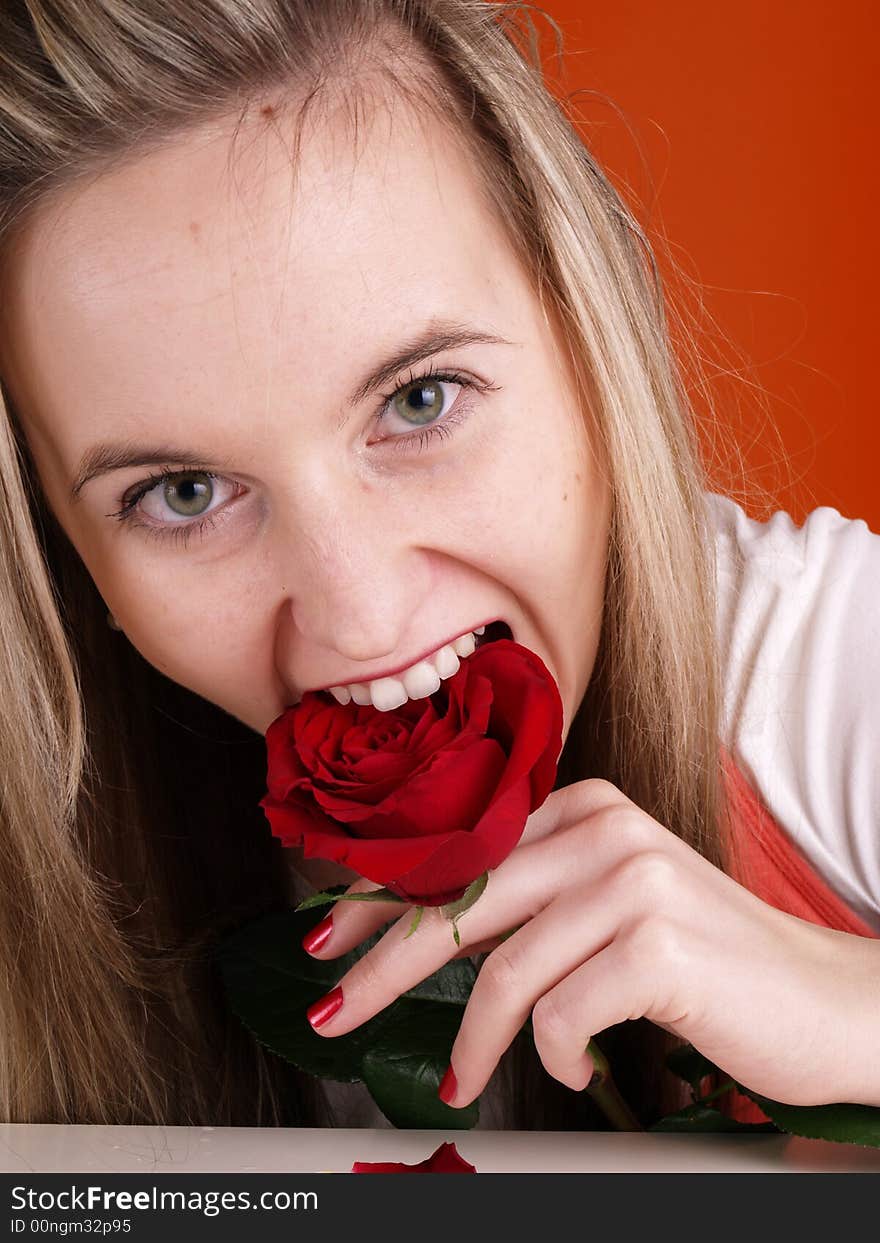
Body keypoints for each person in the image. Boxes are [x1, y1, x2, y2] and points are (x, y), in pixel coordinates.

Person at [0, 0, 876, 1131]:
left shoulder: (819, 673)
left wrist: (854, 1010)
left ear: (586, 336)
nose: (358, 619)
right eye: (182, 494)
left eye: (421, 400)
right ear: (71, 565)